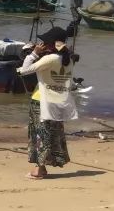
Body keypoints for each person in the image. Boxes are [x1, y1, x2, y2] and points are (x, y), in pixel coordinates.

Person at [18, 26, 79, 180]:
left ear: (50, 44)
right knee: (52, 134)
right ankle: (43, 167)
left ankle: (40, 170)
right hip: (58, 102)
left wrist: (33, 53)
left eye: (44, 42)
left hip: (41, 101)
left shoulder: (49, 59)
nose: (41, 44)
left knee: (40, 134)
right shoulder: (69, 59)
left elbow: (24, 70)